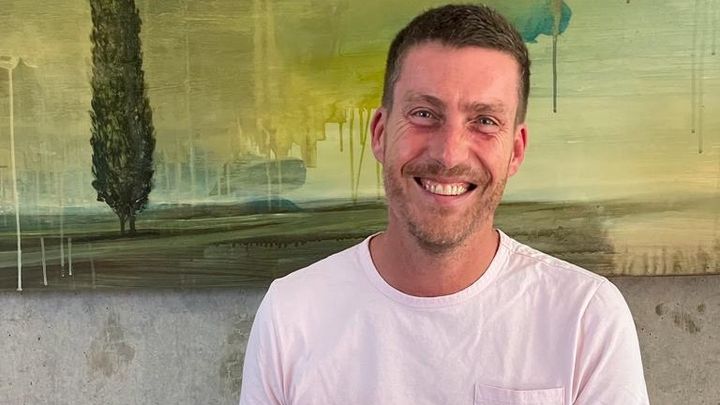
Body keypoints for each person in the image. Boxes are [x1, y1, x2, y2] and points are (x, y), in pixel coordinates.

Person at [240, 4, 649, 404]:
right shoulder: (291, 313)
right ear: (380, 134)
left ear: (516, 151)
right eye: (424, 114)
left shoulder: (585, 318)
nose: (449, 154)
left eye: (484, 121)